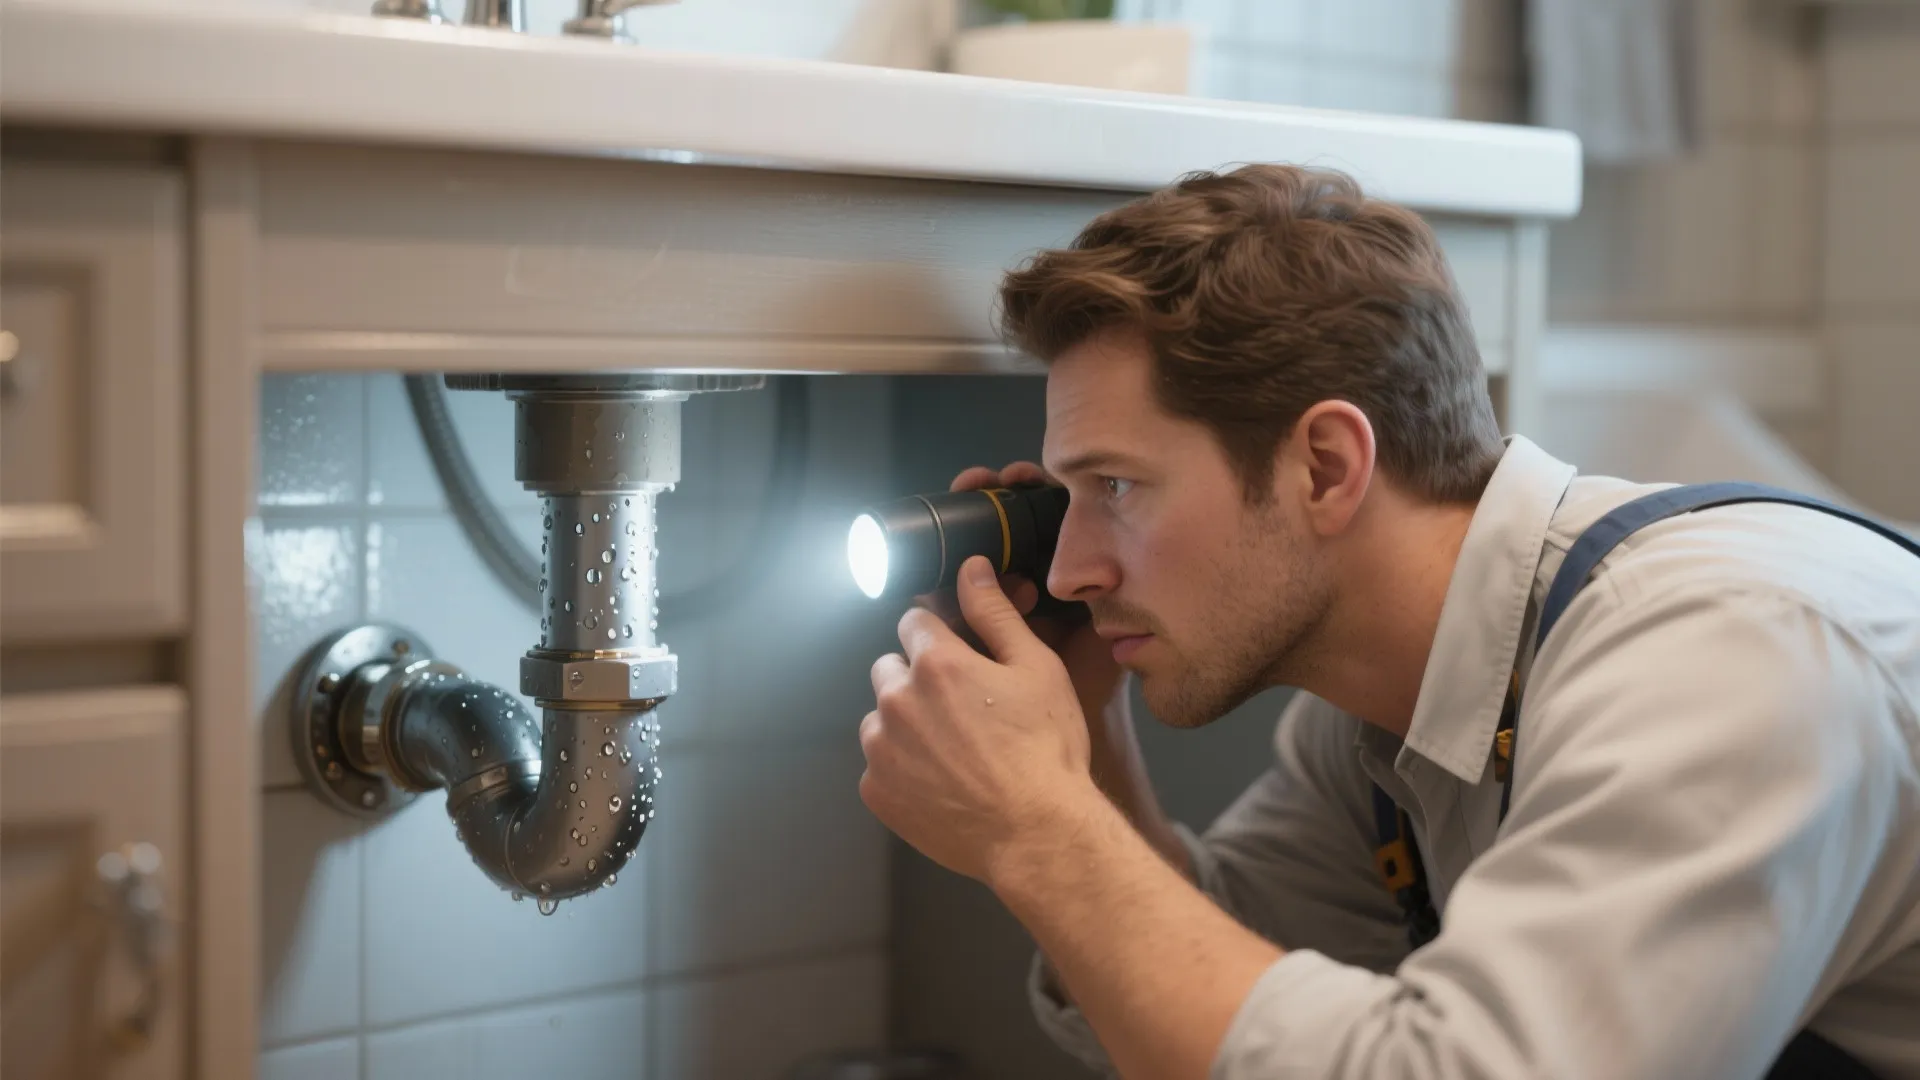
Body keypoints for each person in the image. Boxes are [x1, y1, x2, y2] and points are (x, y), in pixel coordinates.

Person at [854, 163, 1920, 1080]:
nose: (1076, 568)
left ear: (1326, 465)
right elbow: (1228, 991)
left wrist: (1040, 829)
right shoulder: (1383, 715)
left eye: (1120, 488)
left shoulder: (1722, 661)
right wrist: (1084, 749)